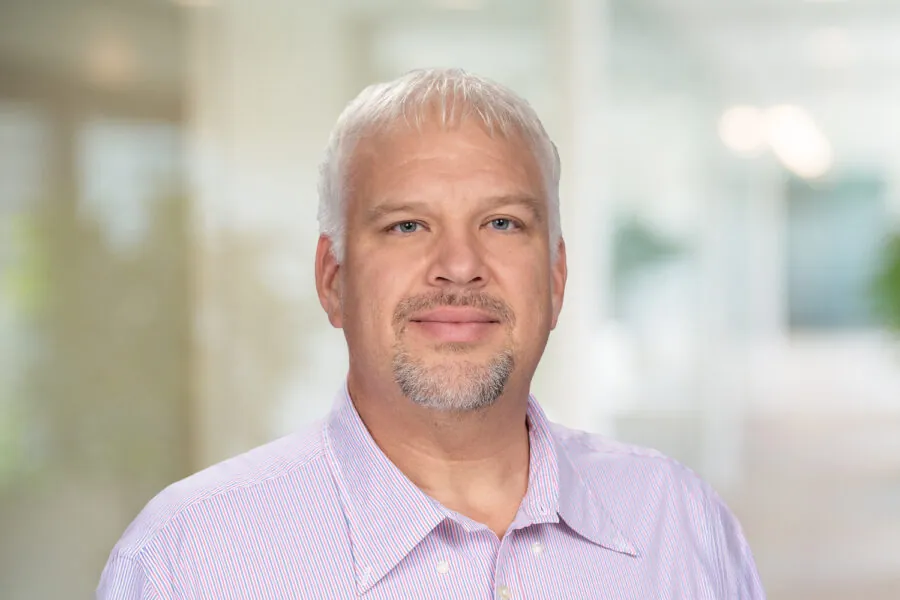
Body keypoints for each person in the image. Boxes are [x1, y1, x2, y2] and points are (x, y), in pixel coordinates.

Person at [98, 68, 765, 599]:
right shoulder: (188, 560)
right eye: (406, 226)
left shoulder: (680, 523)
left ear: (556, 278)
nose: (459, 267)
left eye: (502, 223)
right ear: (333, 278)